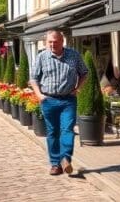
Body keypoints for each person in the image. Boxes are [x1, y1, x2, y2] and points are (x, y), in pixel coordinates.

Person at [29, 30, 88, 176]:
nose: (53, 44)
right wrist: (39, 95)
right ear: (46, 43)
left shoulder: (74, 56)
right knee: (53, 132)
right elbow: (33, 78)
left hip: (68, 100)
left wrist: (78, 89)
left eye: (55, 41)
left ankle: (65, 158)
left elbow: (85, 73)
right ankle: (55, 164)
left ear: (62, 41)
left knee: (67, 129)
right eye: (50, 42)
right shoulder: (42, 57)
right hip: (49, 100)